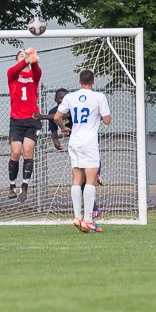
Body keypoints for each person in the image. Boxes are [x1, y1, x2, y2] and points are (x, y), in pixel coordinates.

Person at [54, 69, 111, 233]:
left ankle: (77, 217)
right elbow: (107, 121)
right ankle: (88, 220)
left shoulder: (70, 97)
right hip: (89, 142)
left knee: (77, 179)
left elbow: (57, 117)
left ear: (79, 82)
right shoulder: (99, 97)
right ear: (93, 82)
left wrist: (63, 128)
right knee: (91, 180)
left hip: (75, 141)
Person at [34, 89, 104, 218]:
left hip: (87, 139)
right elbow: (53, 129)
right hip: (76, 144)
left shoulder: (72, 107)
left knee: (88, 172)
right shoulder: (53, 111)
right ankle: (94, 210)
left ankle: (98, 174)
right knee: (81, 179)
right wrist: (55, 140)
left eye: (64, 97)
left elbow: (61, 117)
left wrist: (41, 116)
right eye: (60, 98)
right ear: (55, 100)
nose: (62, 100)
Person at [7, 48, 42, 202]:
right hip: (16, 120)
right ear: (17, 61)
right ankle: (11, 186)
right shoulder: (13, 73)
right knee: (15, 152)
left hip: (32, 119)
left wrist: (32, 58)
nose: (24, 58)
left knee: (28, 151)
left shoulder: (33, 75)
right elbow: (15, 69)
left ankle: (25, 187)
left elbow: (37, 69)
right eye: (21, 56)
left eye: (25, 56)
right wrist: (25, 60)